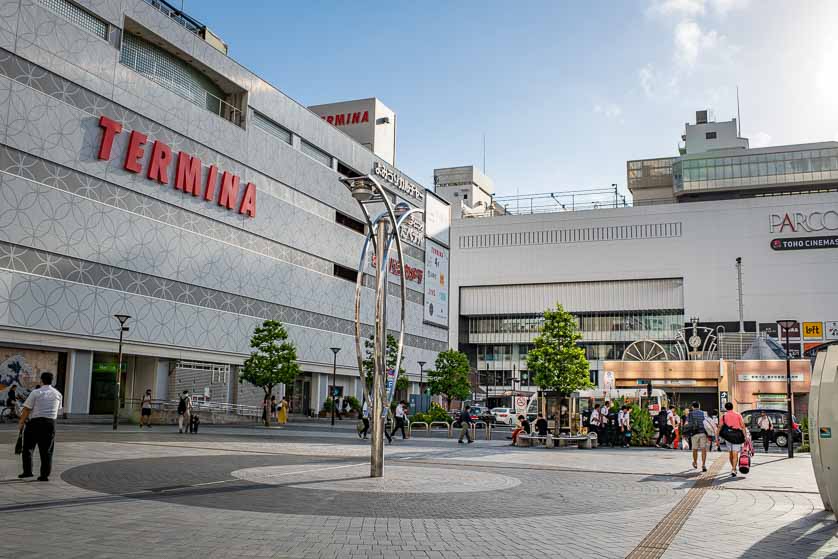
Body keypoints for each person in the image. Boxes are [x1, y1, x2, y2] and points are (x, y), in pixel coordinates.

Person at [18, 372, 62, 481]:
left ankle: (27, 472)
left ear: (41, 380)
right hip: (50, 423)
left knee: (28, 448)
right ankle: (44, 475)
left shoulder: (36, 392)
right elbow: (59, 411)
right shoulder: (58, 394)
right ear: (52, 380)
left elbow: (27, 409)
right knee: (47, 450)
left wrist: (21, 422)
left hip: (35, 423)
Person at [718, 402, 748, 477]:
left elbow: (719, 427)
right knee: (735, 454)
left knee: (730, 453)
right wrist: (745, 436)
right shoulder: (738, 415)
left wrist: (716, 438)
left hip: (728, 436)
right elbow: (743, 426)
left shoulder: (724, 416)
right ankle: (734, 469)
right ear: (732, 407)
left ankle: (733, 468)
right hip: (737, 436)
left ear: (726, 408)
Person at [685, 402, 708, 472]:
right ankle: (703, 465)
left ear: (692, 407)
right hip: (703, 433)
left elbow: (689, 424)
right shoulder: (704, 413)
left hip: (694, 434)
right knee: (703, 449)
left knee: (695, 449)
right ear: (699, 406)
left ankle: (695, 463)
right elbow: (707, 422)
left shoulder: (690, 413)